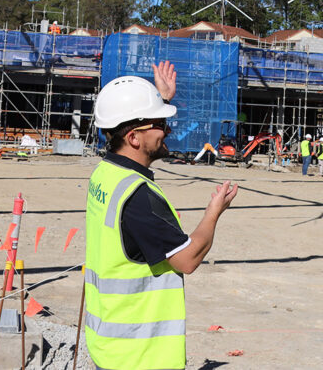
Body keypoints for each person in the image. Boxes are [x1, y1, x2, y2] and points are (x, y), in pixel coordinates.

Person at [85, 60, 238, 370]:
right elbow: (188, 259)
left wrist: (162, 100)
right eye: (159, 123)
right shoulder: (138, 196)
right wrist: (213, 213)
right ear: (133, 138)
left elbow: (137, 125)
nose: (168, 129)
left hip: (109, 344)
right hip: (140, 356)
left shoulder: (105, 173)